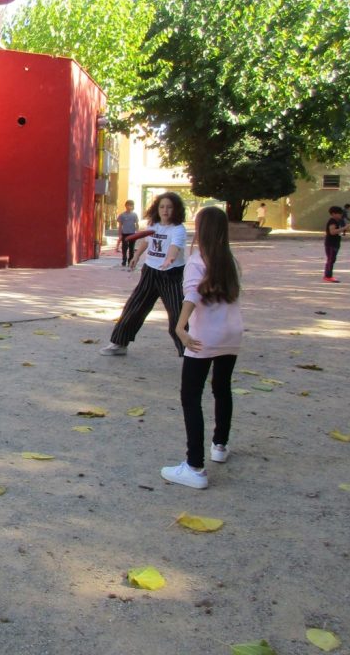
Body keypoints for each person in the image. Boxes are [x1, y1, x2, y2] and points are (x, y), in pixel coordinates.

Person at [160, 206, 243, 489]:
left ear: (201, 229)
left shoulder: (197, 261)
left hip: (205, 336)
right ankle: (220, 445)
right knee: (222, 387)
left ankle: (194, 466)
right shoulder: (230, 261)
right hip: (231, 334)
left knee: (191, 396)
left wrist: (179, 326)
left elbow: (192, 294)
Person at [100, 192, 187, 357]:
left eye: (169, 207)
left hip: (171, 274)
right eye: (162, 207)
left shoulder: (178, 229)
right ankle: (119, 343)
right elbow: (147, 241)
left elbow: (174, 247)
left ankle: (188, 351)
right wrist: (136, 256)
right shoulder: (153, 225)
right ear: (157, 209)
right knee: (135, 306)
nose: (165, 210)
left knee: (177, 313)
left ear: (176, 209)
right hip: (150, 271)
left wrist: (169, 259)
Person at [323, 205, 346, 283]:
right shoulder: (332, 221)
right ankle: (328, 276)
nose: (341, 215)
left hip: (335, 243)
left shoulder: (336, 221)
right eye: (339, 213)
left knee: (332, 259)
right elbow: (332, 232)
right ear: (333, 214)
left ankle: (328, 275)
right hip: (331, 244)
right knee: (331, 260)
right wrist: (344, 228)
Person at [116, 200, 140, 267]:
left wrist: (137, 232)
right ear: (125, 206)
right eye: (128, 205)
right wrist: (120, 234)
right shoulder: (122, 215)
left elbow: (137, 224)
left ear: (133, 206)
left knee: (131, 248)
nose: (129, 206)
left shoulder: (134, 215)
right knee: (124, 248)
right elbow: (120, 225)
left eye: (131, 205)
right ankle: (124, 260)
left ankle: (130, 261)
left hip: (132, 234)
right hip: (125, 234)